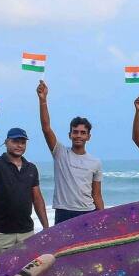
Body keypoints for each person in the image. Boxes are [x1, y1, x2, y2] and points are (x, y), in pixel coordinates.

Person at [37, 81, 103, 223]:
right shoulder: (60, 153)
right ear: (70, 135)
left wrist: (103, 217)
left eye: (83, 133)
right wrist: (43, 100)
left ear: (88, 137)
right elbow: (46, 128)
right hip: (64, 212)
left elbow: (97, 195)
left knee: (88, 246)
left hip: (88, 212)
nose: (79, 135)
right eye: (75, 132)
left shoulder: (95, 162)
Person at [0, 127, 49, 257]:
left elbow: (37, 199)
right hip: (2, 232)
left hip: (26, 231)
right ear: (6, 142)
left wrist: (46, 227)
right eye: (15, 141)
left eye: (23, 142)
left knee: (25, 271)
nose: (19, 145)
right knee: (3, 273)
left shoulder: (31, 168)